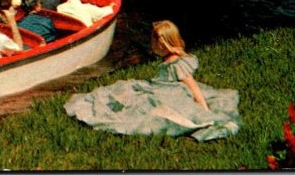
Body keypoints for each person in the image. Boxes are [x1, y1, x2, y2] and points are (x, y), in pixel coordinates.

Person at [63, 20, 241, 141]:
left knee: (140, 106)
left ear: (162, 44)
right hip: (160, 88)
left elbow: (192, 86)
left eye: (153, 41)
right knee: (129, 92)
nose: (152, 44)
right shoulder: (172, 59)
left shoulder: (176, 63)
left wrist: (204, 109)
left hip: (169, 94)